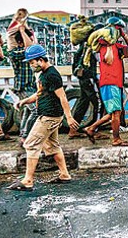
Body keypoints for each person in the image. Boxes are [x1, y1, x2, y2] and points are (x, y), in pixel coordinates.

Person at [7, 45, 79, 191]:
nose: (31, 65)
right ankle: (64, 174)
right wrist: (23, 101)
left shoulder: (52, 75)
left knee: (31, 144)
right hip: (49, 116)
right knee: (52, 146)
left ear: (40, 60)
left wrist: (69, 117)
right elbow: (40, 94)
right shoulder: (44, 75)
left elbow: (63, 97)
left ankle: (28, 180)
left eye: (32, 62)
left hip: (49, 117)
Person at [85, 17, 128, 146]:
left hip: (114, 82)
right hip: (110, 82)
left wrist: (123, 35)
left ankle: (91, 129)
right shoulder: (103, 44)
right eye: (119, 30)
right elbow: (108, 57)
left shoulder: (117, 46)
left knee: (113, 113)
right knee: (116, 113)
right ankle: (116, 139)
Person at [69, 24, 101, 139]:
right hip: (89, 77)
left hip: (82, 77)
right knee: (98, 101)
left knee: (83, 103)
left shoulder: (83, 45)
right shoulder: (91, 45)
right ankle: (93, 130)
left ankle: (73, 130)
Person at [7, 25, 37, 146]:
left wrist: (27, 31)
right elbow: (29, 48)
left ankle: (23, 137)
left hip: (30, 86)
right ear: (20, 42)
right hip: (23, 87)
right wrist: (21, 31)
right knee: (36, 111)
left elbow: (32, 47)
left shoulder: (28, 52)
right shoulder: (15, 53)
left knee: (27, 111)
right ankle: (25, 136)